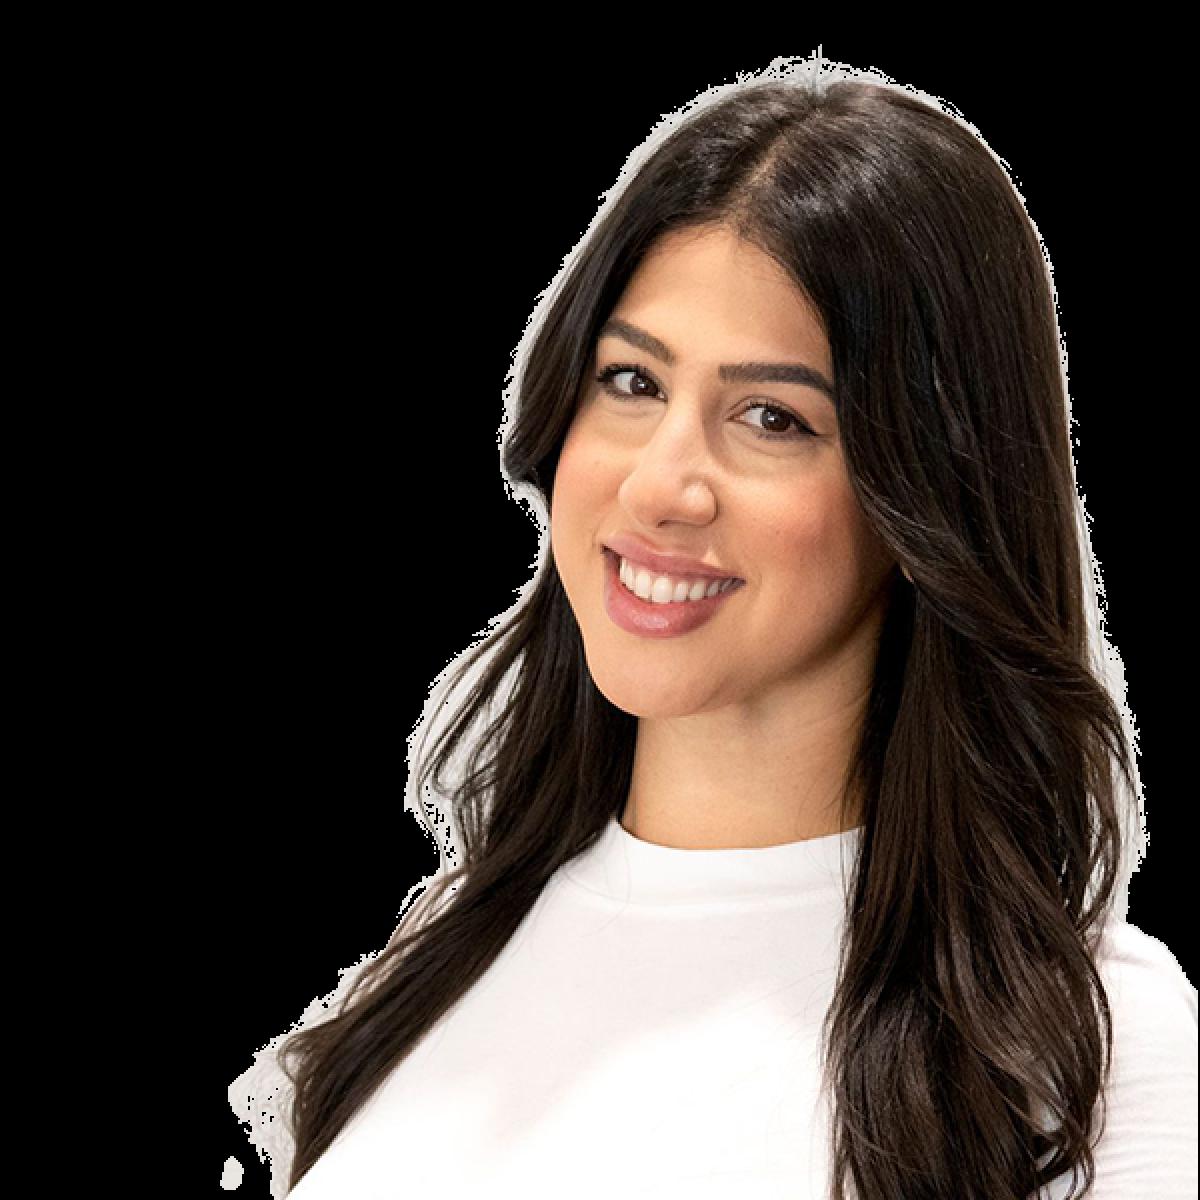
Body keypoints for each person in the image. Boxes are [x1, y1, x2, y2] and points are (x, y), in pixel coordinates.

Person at [231, 59, 1197, 1199]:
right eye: (631, 383)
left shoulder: (1088, 1046)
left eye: (772, 417)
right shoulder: (443, 951)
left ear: (927, 492)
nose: (659, 485)